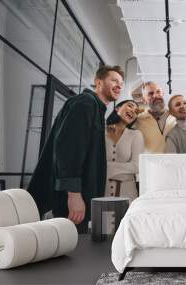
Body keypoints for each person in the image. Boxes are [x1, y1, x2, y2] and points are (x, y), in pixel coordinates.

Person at [27, 65, 124, 232]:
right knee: (67, 248)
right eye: (114, 80)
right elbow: (67, 150)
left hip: (80, 196)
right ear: (98, 83)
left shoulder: (97, 110)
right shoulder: (86, 104)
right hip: (69, 197)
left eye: (121, 83)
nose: (119, 86)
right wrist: (74, 196)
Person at [105, 100, 144, 202]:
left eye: (136, 111)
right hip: (102, 191)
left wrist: (106, 167)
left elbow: (137, 166)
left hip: (128, 194)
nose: (133, 112)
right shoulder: (100, 131)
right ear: (117, 108)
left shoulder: (136, 135)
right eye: (130, 106)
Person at [135, 81, 176, 153]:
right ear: (144, 100)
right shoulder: (138, 120)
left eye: (158, 92)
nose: (155, 96)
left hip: (174, 163)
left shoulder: (175, 117)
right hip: (150, 164)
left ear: (163, 93)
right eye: (150, 94)